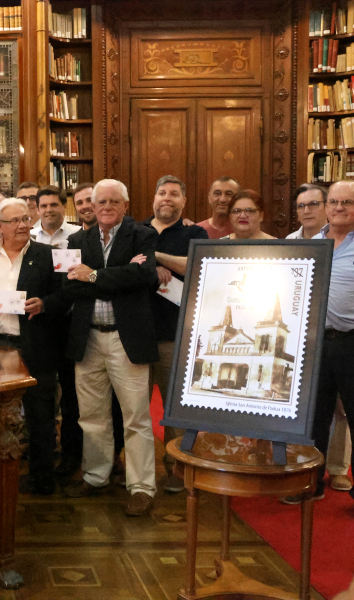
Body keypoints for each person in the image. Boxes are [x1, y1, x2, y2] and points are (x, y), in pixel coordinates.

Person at [62, 178, 160, 517]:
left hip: (126, 338)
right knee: (92, 416)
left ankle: (141, 487)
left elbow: (144, 278)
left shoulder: (143, 235)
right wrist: (119, 275)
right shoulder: (77, 239)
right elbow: (69, 285)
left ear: (125, 206)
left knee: (136, 417)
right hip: (87, 338)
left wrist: (92, 276)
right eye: (99, 201)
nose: (104, 207)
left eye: (113, 201)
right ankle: (96, 475)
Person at [0, 198, 70, 494]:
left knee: (40, 415)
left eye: (26, 218)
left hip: (36, 345)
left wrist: (45, 304)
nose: (23, 225)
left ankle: (42, 477)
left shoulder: (51, 255)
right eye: (15, 221)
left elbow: (68, 295)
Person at [283, 180, 354, 504]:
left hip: (351, 342)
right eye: (335, 202)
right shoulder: (312, 242)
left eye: (347, 202)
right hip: (313, 344)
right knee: (312, 417)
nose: (340, 208)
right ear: (327, 206)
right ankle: (310, 483)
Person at [141, 175, 208, 493]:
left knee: (176, 410)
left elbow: (196, 265)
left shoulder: (195, 233)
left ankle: (177, 469)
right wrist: (148, 268)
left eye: (174, 194)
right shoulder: (136, 230)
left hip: (176, 337)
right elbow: (124, 264)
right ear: (153, 199)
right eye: (162, 193)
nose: (167, 198)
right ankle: (135, 472)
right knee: (135, 410)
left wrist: (154, 258)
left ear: (184, 201)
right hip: (135, 335)